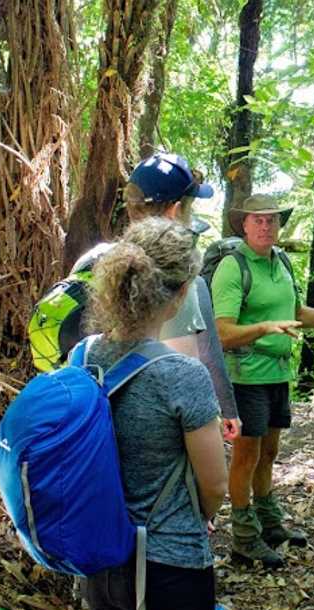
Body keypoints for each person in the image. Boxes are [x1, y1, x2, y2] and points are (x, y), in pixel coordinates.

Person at [211, 194, 314, 568]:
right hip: (245, 376)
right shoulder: (232, 267)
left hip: (277, 374)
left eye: (272, 219)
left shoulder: (281, 262)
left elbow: (297, 314)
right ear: (244, 224)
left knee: (269, 452)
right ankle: (243, 538)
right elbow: (221, 332)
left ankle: (270, 523)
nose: (266, 226)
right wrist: (262, 328)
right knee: (246, 456)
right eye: (258, 220)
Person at [82, 218, 227, 610]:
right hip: (170, 564)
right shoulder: (181, 374)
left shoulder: (84, 355)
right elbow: (215, 485)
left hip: (101, 557)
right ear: (182, 293)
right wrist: (196, 514)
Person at [72, 152, 242, 442]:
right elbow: (184, 377)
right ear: (175, 211)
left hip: (88, 437)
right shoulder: (180, 282)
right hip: (152, 446)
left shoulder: (93, 261)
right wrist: (226, 411)